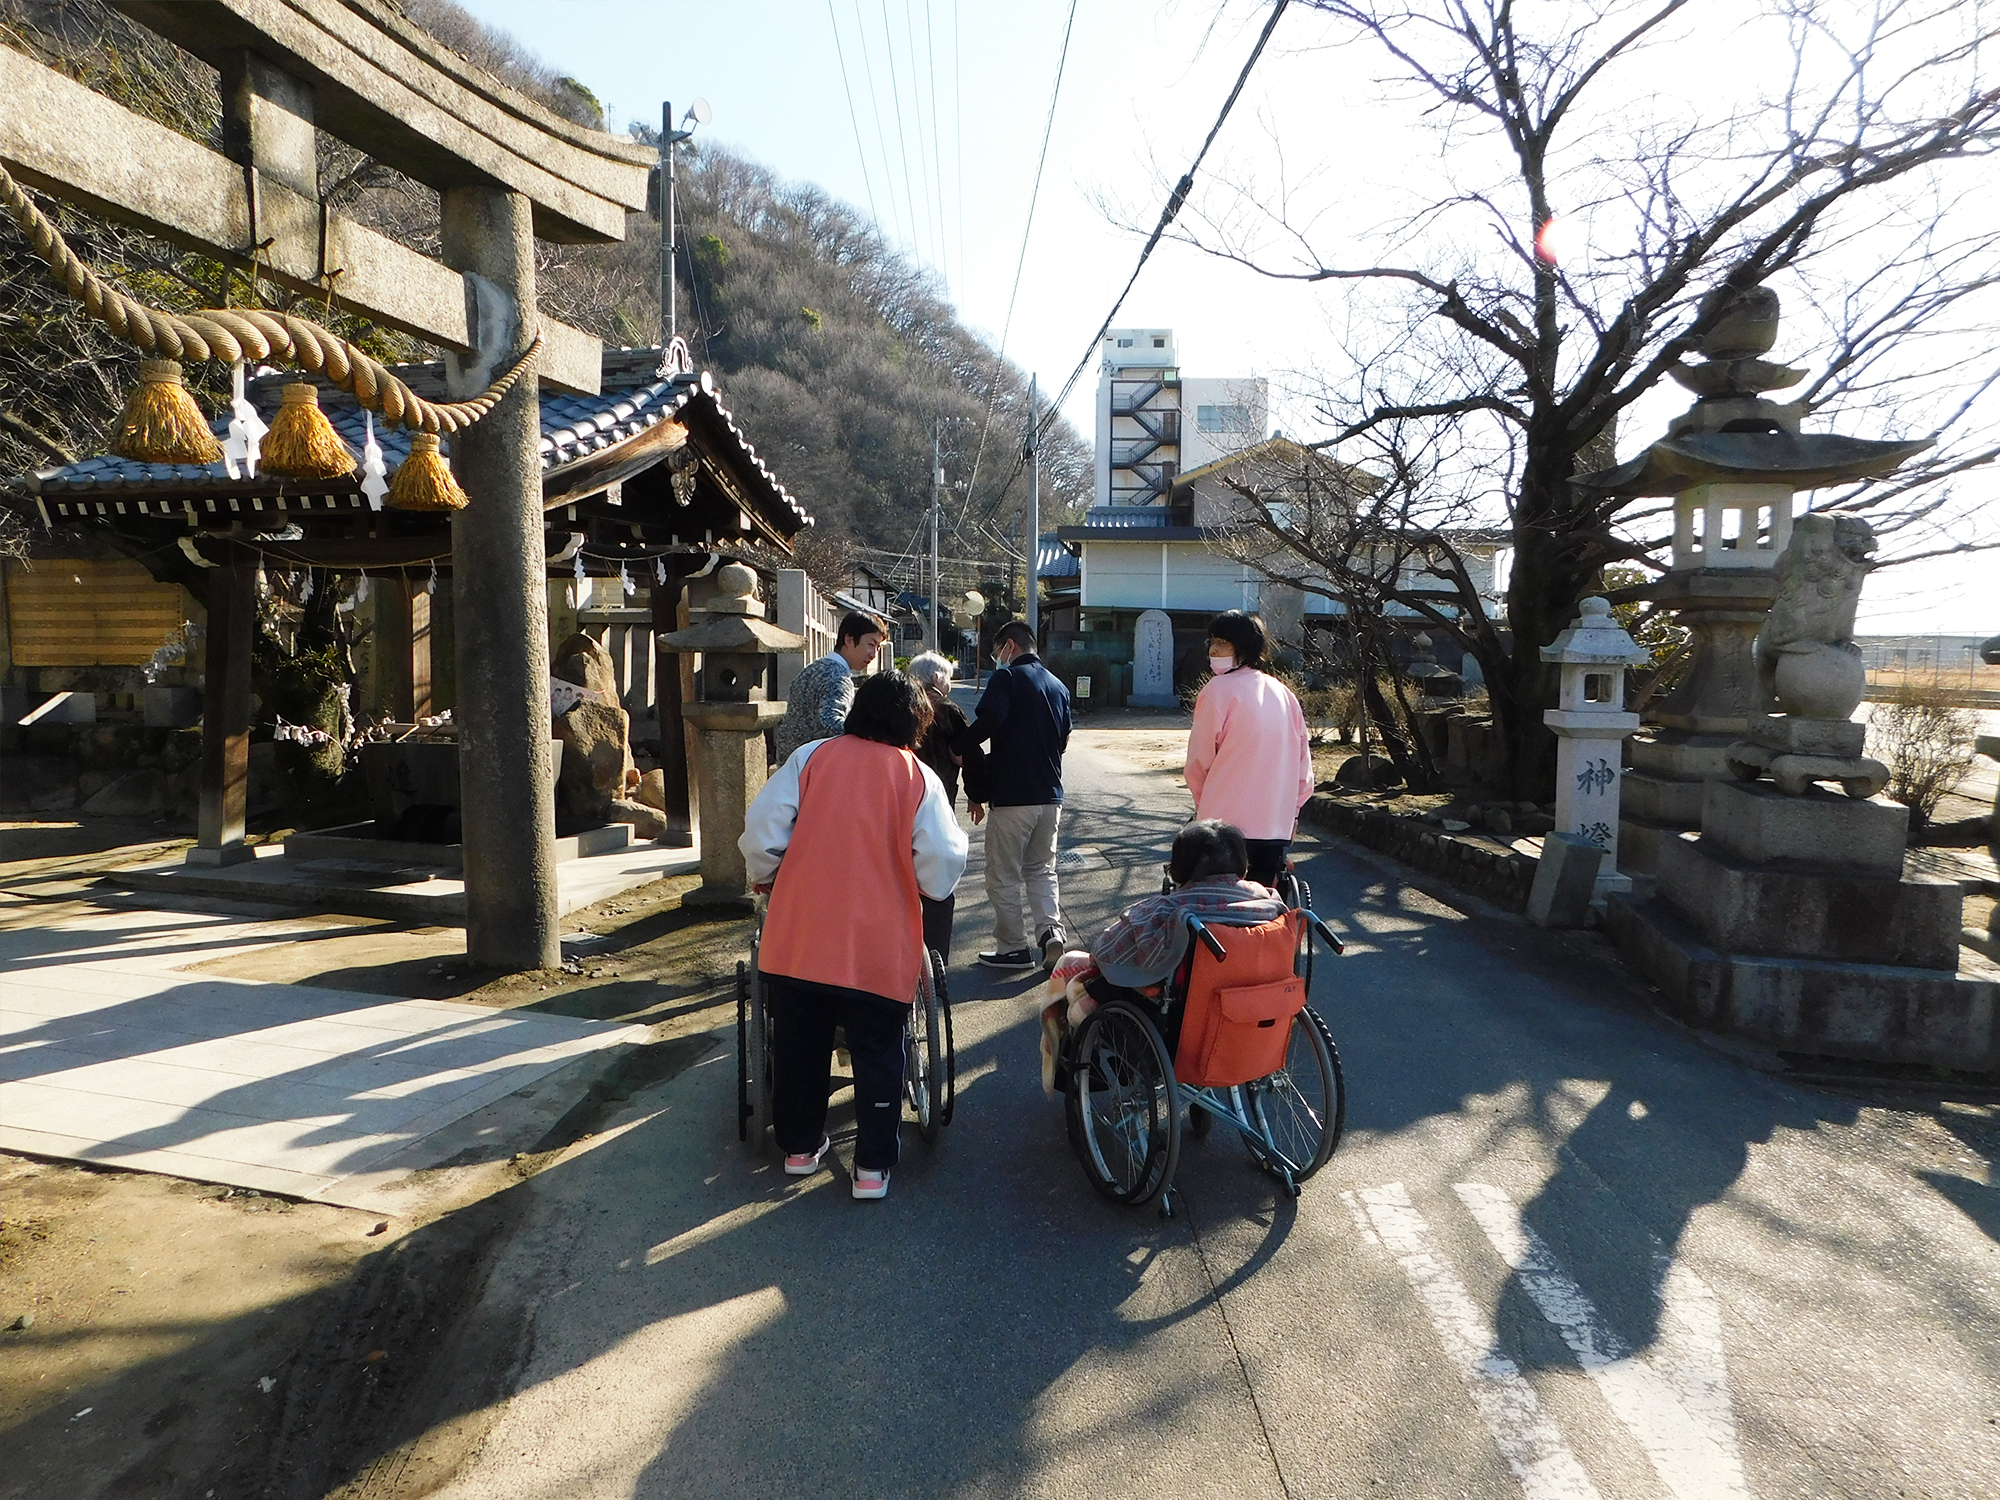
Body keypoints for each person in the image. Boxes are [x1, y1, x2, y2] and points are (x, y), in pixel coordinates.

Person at [741, 671, 968, 1200]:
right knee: (879, 1049)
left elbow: (762, 831)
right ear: (916, 721)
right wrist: (924, 886)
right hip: (876, 943)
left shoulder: (812, 759)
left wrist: (766, 871)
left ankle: (799, 1148)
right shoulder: (918, 777)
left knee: (799, 1044)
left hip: (800, 937)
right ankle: (871, 1168)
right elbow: (941, 863)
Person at [1036, 820, 1286, 1092]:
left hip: (1178, 1034)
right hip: (1248, 1018)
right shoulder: (1271, 904)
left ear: (1178, 870)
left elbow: (1102, 953)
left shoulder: (1165, 912)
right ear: (1242, 865)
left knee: (1076, 969)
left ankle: (1077, 1066)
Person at [953, 619, 1071, 972]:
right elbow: (1063, 742)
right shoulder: (1059, 686)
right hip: (1050, 796)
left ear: (1009, 647)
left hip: (1012, 795)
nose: (996, 658)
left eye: (997, 651)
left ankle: (1013, 948)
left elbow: (989, 721)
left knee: (1003, 874)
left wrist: (959, 746)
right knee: (1041, 869)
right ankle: (1051, 933)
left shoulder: (1005, 679)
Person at [1184, 609, 1314, 889]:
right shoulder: (1284, 694)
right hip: (1274, 826)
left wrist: (1201, 807)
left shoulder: (1217, 690)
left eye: (1222, 642)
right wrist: (1291, 813)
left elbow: (1198, 762)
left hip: (1223, 826)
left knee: (1222, 911)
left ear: (1242, 647)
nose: (1214, 649)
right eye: (1213, 642)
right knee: (1264, 908)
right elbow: (1304, 767)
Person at [908, 651, 985, 963]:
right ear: (937, 679)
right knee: (937, 882)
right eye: (948, 678)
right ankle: (935, 960)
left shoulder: (903, 706)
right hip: (939, 802)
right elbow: (970, 754)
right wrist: (977, 795)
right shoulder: (947, 710)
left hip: (899, 802)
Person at [774, 610, 886, 764]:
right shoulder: (839, 679)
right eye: (871, 644)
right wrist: (867, 732)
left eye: (878, 647)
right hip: (814, 769)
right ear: (849, 639)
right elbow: (830, 723)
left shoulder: (812, 669)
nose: (874, 654)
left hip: (790, 765)